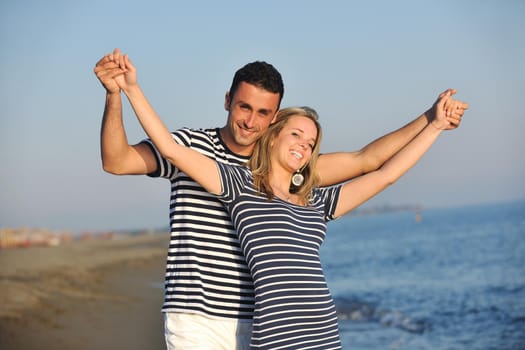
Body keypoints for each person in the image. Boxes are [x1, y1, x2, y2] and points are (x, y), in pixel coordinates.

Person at [94, 49, 467, 349]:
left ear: (272, 121)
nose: (250, 121)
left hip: (262, 321)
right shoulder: (203, 154)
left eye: (263, 113)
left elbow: (372, 164)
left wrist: (431, 120)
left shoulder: (302, 186)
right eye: (244, 107)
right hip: (198, 318)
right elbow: (120, 160)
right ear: (228, 101)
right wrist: (119, 93)